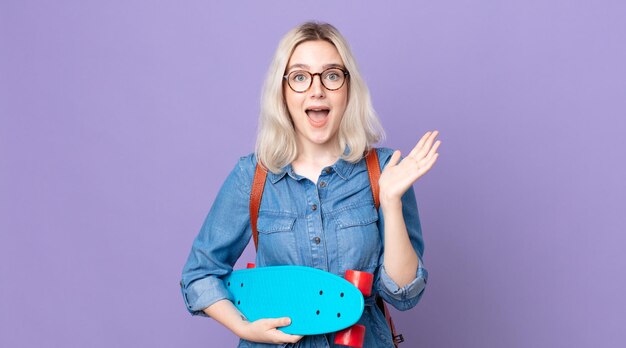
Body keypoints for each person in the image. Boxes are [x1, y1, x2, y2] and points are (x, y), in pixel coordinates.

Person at [180, 21, 440, 347]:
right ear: (283, 92)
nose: (317, 90)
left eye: (331, 75)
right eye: (300, 77)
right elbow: (199, 273)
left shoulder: (385, 172)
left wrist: (390, 199)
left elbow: (404, 295)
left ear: (348, 89)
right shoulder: (253, 176)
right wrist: (245, 329)